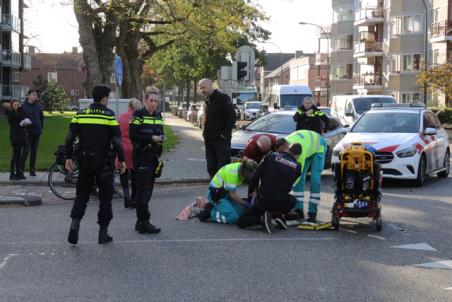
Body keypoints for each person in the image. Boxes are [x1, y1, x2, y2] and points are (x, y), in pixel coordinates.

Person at [65, 85, 126, 245]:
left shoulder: (81, 114)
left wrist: (68, 157)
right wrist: (122, 159)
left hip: (85, 162)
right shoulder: (109, 115)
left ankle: (75, 224)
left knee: (82, 195)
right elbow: (117, 141)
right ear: (104, 98)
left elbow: (69, 137)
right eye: (109, 98)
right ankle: (103, 233)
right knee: (105, 198)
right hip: (104, 164)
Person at [237, 139, 302, 234]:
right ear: (298, 156)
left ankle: (262, 220)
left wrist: (244, 193)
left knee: (241, 221)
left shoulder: (270, 157)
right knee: (293, 200)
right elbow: (288, 184)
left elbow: (254, 177)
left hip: (265, 200)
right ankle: (278, 216)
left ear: (287, 149)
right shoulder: (297, 166)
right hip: (282, 201)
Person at [129, 87, 165, 234]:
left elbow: (160, 132)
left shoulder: (158, 115)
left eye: (156, 101)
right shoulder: (138, 115)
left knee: (147, 190)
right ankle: (144, 222)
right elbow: (133, 135)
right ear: (145, 101)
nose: (154, 104)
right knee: (144, 191)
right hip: (141, 156)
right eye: (151, 101)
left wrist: (161, 139)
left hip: (153, 157)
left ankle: (140, 222)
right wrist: (151, 138)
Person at [199, 159, 258, 224]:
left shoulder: (242, 170)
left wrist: (252, 195)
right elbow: (232, 195)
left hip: (225, 194)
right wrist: (247, 204)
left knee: (241, 214)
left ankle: (218, 208)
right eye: (252, 174)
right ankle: (210, 213)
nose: (253, 176)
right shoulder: (233, 173)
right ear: (247, 171)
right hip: (216, 196)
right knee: (234, 218)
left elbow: (241, 195)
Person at [286, 129, 327, 223]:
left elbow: (298, 174)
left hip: (319, 147)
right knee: (300, 182)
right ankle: (299, 209)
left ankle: (312, 212)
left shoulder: (300, 154)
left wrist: (288, 187)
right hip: (307, 145)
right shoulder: (285, 145)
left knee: (314, 180)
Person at [198, 78, 236, 178]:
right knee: (211, 167)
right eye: (200, 88)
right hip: (209, 139)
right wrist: (204, 133)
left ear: (211, 86)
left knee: (222, 167)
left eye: (204, 87)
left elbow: (232, 116)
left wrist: (224, 134)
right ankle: (214, 189)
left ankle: (223, 191)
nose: (202, 90)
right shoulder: (207, 100)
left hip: (221, 140)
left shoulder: (223, 98)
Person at [118, 98, 142, 209]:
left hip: (122, 149)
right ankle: (133, 199)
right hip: (134, 149)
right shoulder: (138, 118)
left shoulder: (121, 117)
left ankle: (126, 197)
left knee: (122, 173)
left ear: (129, 106)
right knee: (134, 175)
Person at [3, 100, 30, 180]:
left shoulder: (18, 111)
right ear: (11, 106)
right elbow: (5, 105)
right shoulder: (10, 112)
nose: (17, 106)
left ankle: (18, 173)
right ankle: (12, 174)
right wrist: (13, 107)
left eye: (18, 105)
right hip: (15, 136)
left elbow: (23, 117)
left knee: (19, 156)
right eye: (15, 105)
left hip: (21, 135)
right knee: (15, 155)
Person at [21, 88, 44, 176]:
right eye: (33, 95)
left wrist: (41, 128)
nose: (35, 96)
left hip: (37, 132)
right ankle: (20, 169)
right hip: (27, 132)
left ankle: (32, 169)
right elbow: (20, 119)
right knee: (26, 151)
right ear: (29, 95)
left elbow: (41, 118)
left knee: (34, 151)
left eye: (36, 95)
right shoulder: (23, 106)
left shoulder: (38, 106)